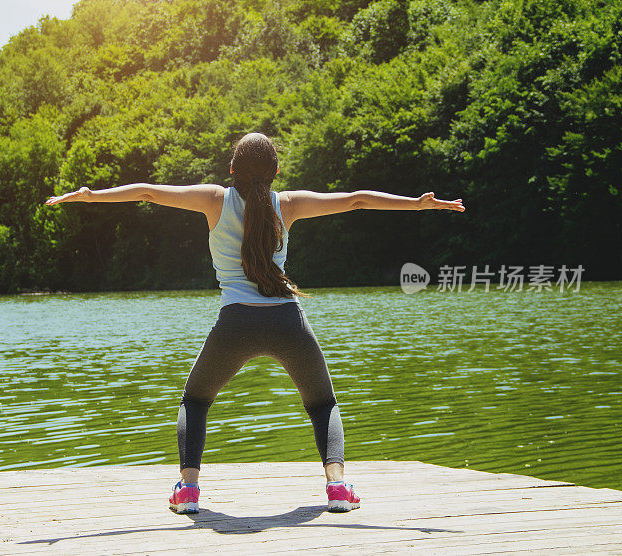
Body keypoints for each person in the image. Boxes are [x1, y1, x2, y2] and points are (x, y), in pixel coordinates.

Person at [44, 132, 465, 514]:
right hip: (288, 322)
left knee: (196, 400)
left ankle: (188, 492)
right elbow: (356, 199)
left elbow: (149, 193)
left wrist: (89, 195)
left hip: (235, 325)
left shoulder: (213, 199)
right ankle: (338, 489)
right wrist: (418, 203)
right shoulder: (289, 204)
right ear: (277, 171)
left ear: (231, 170)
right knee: (322, 404)